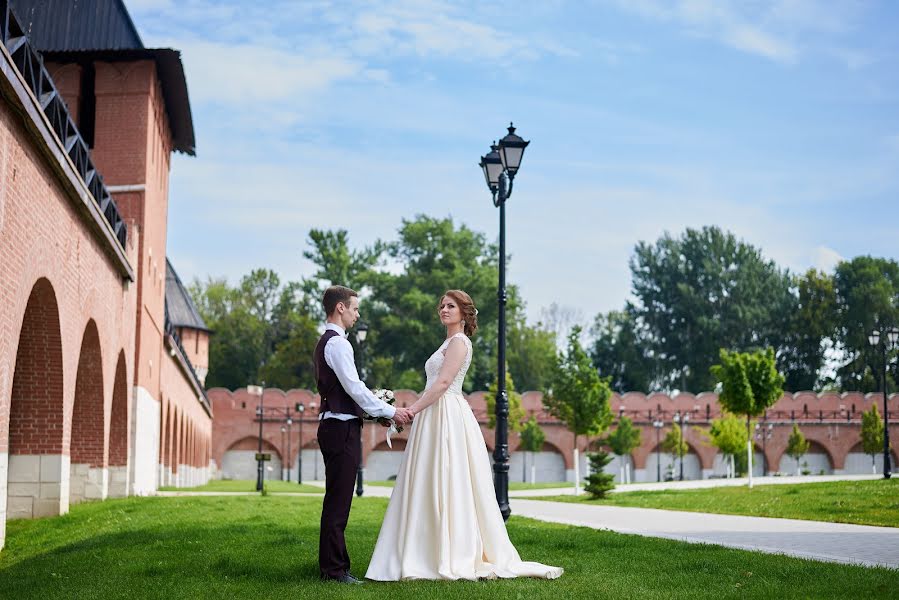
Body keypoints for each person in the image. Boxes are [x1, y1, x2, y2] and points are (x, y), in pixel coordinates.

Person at [365, 289, 563, 581]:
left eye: (451, 306)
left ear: (464, 313)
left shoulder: (459, 342)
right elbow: (435, 382)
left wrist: (412, 410)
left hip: (446, 415)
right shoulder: (446, 342)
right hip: (434, 413)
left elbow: (444, 382)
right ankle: (422, 548)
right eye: (442, 305)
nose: (444, 309)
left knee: (448, 477)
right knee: (427, 478)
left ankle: (451, 550)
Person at [314, 285, 413, 584]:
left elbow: (350, 393)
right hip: (340, 429)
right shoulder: (338, 344)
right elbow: (354, 389)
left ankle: (334, 566)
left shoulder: (329, 342)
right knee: (339, 501)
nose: (358, 314)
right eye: (355, 308)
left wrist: (374, 414)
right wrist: (390, 411)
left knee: (337, 499)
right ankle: (334, 570)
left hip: (336, 425)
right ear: (340, 308)